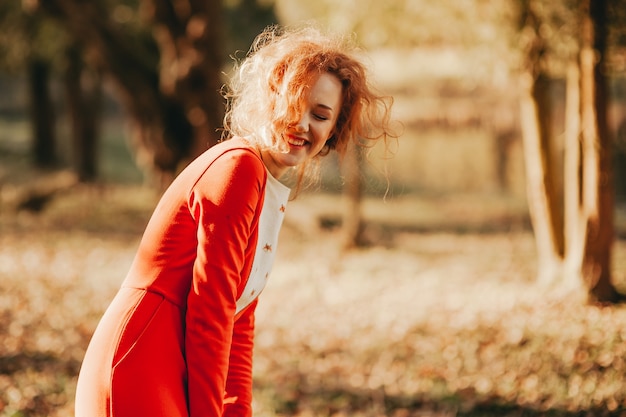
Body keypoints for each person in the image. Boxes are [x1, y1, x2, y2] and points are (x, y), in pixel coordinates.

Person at [74, 24, 396, 417]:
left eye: (320, 115)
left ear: (332, 131)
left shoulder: (268, 187)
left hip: (172, 368)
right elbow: (210, 315)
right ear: (270, 98)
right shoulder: (239, 169)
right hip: (142, 362)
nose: (302, 125)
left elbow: (238, 323)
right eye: (295, 103)